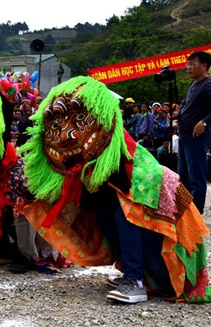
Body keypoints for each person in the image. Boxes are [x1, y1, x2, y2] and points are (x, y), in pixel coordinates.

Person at [19, 76, 211, 303]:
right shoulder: (96, 161)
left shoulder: (132, 162)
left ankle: (135, 280)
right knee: (104, 214)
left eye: (80, 118)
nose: (67, 134)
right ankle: (138, 274)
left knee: (126, 212)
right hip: (155, 269)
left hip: (171, 270)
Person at [172, 51, 211, 213]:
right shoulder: (194, 84)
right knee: (183, 178)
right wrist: (178, 113)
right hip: (184, 138)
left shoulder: (207, 85)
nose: (188, 68)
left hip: (196, 139)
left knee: (196, 179)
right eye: (187, 64)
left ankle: (196, 216)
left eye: (192, 64)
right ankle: (186, 215)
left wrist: (204, 122)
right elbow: (186, 103)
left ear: (204, 66)